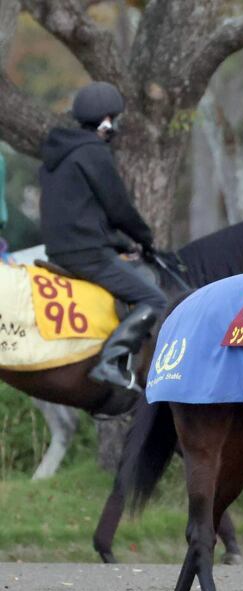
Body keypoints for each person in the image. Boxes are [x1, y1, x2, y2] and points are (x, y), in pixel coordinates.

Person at [38, 81, 167, 390]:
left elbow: (85, 214)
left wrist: (123, 244)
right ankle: (111, 361)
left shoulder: (57, 155)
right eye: (114, 119)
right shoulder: (93, 152)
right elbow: (118, 208)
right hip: (88, 254)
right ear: (107, 121)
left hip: (61, 250)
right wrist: (146, 240)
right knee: (155, 299)